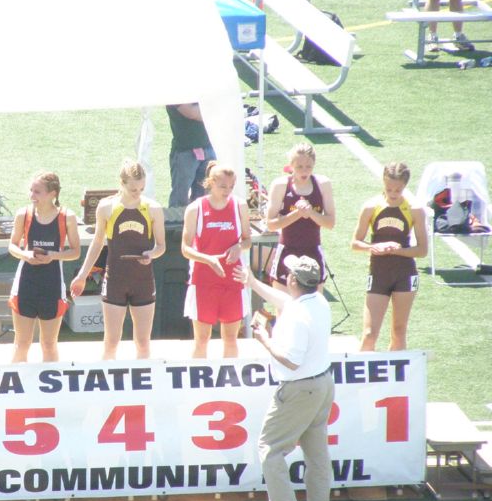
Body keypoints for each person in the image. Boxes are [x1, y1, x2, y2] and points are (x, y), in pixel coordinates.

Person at [235, 255, 335, 501]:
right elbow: (283, 301)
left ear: (292, 280)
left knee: (270, 449)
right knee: (316, 455)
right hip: (323, 384)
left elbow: (291, 360)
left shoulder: (296, 315)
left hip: (298, 389)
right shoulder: (319, 302)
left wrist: (264, 338)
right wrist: (252, 283)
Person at [70, 160, 165, 359]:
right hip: (115, 280)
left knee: (143, 342)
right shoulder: (106, 207)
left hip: (143, 281)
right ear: (121, 184)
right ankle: (107, 384)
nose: (137, 193)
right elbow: (97, 244)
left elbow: (161, 246)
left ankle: (142, 386)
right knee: (111, 341)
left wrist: (152, 254)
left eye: (141, 188)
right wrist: (82, 275)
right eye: (133, 189)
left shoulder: (153, 208)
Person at [351, 162, 428, 351]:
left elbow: (422, 250)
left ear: (405, 186)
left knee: (399, 331)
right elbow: (355, 243)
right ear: (383, 183)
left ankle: (397, 379)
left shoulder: (414, 209)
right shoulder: (371, 206)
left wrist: (395, 250)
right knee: (369, 334)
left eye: (398, 190)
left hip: (405, 274)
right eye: (389, 189)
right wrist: (376, 247)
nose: (393, 194)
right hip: (379, 274)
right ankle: (364, 379)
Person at [8, 172, 81, 362]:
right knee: (21, 343)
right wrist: (26, 255)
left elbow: (75, 252)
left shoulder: (67, 217)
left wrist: (53, 256)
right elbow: (12, 245)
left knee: (49, 344)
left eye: (37, 192)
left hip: (52, 284)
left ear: (53, 194)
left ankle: (52, 389)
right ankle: (16, 387)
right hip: (26, 283)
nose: (32, 196)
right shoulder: (23, 214)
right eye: (31, 191)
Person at [181, 161, 251, 358]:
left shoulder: (240, 206)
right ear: (210, 183)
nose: (227, 191)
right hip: (204, 280)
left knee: (230, 339)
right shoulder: (196, 208)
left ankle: (230, 385)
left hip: (232, 279)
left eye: (231, 186)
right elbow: (185, 249)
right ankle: (198, 385)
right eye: (222, 186)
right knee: (202, 341)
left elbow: (247, 240)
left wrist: (239, 246)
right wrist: (209, 260)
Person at [266, 143, 335, 303]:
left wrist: (310, 212)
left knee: (313, 306)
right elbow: (271, 224)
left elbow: (330, 223)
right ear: (291, 166)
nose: (304, 171)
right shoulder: (281, 185)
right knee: (284, 307)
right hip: (287, 251)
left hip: (313, 251)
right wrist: (297, 214)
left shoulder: (322, 184)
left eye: (308, 166)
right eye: (299, 166)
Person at [167, 103, 216, 207]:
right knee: (179, 198)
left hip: (208, 147)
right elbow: (192, 113)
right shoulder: (174, 89)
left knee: (204, 196)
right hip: (185, 151)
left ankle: (199, 222)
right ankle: (177, 223)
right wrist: (216, 109)